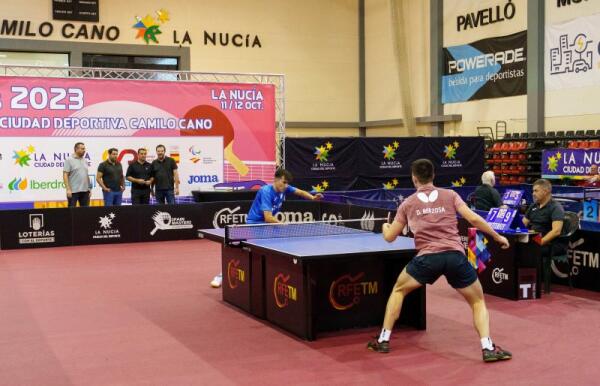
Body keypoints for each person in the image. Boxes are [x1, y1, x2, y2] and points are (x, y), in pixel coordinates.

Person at [366, 159, 512, 363]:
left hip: (427, 259)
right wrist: (498, 237)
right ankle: (487, 347)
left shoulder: (407, 203)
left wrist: (384, 227)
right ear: (433, 176)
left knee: (398, 290)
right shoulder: (451, 195)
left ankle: (383, 340)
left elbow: (390, 237)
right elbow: (475, 219)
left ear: (414, 178)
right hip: (455, 257)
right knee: (478, 301)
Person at [210, 168, 323, 288]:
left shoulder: (285, 188)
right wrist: (283, 224)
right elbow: (268, 217)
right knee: (243, 252)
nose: (285, 186)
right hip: (255, 224)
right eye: (284, 182)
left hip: (267, 225)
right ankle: (221, 276)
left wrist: (312, 198)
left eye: (287, 183)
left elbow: (300, 192)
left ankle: (272, 276)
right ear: (276, 179)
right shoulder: (266, 192)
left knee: (280, 247)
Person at [522, 179, 565, 255]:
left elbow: (556, 231)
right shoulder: (533, 206)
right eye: (533, 191)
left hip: (547, 243)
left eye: (536, 191)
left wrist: (539, 242)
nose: (533, 194)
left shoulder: (556, 207)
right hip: (532, 238)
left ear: (545, 192)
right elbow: (523, 224)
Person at [63, 142, 91, 207]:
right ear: (76, 149)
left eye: (84, 149)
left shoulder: (85, 160)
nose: (84, 150)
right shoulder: (69, 160)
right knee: (71, 212)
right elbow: (65, 174)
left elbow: (86, 175)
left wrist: (89, 188)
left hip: (85, 191)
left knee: (85, 212)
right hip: (73, 191)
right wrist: (68, 189)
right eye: (82, 149)